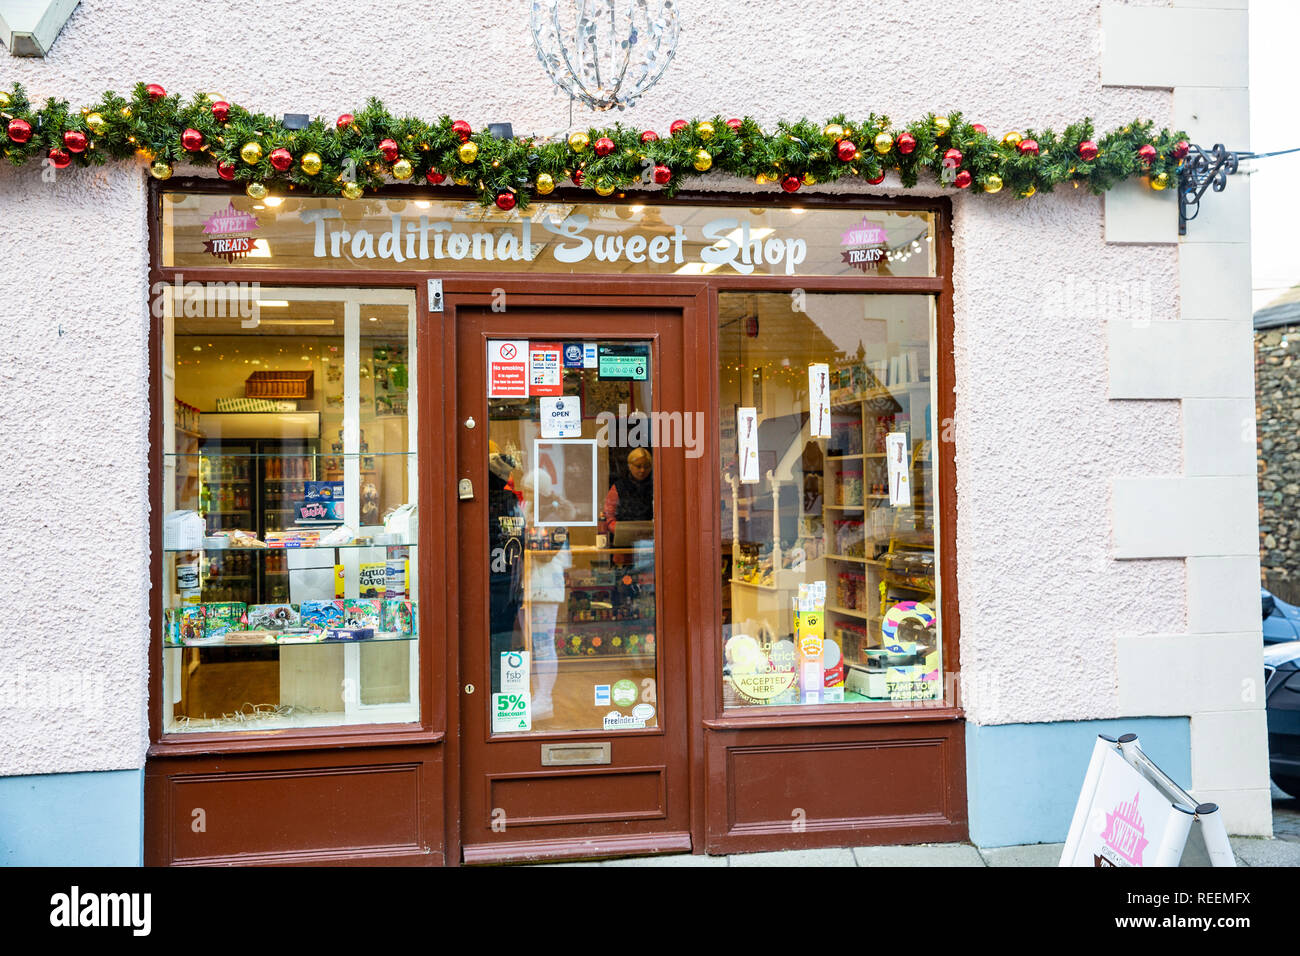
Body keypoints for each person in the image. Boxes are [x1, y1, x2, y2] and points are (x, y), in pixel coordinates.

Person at [488, 442, 524, 694]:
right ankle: (501, 689)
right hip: (510, 578)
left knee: (489, 635)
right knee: (502, 634)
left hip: (492, 578)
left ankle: (492, 688)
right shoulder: (510, 501)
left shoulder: (486, 502)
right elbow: (519, 538)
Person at [603, 447, 653, 533]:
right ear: (630, 466)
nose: (642, 470)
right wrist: (619, 530)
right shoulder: (618, 487)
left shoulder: (656, 486)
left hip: (650, 536)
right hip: (623, 535)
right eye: (638, 466)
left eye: (646, 466)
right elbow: (609, 516)